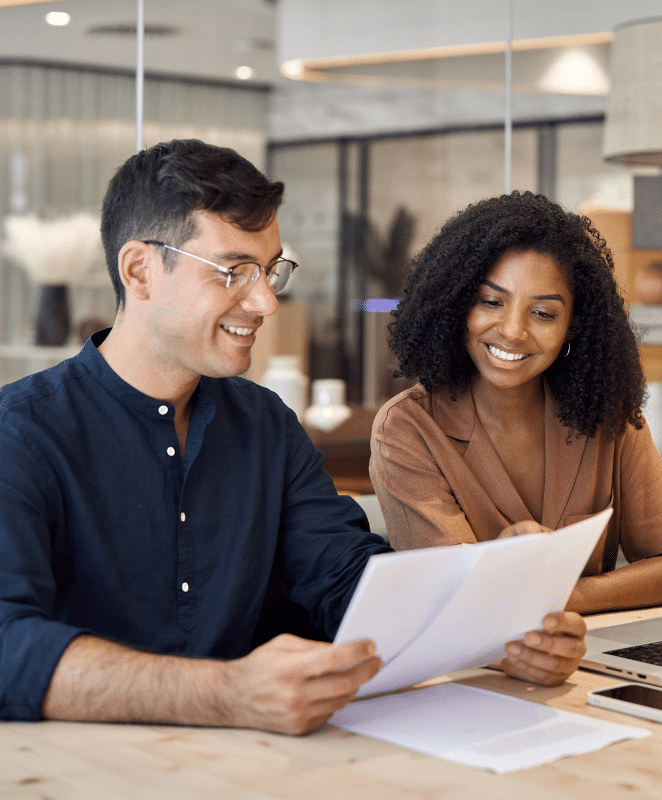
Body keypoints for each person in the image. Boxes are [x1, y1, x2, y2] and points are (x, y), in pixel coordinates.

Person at [0, 143, 587, 734]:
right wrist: (223, 693)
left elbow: (344, 580)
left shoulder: (264, 424)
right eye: (234, 272)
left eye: (270, 270)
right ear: (139, 270)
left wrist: (495, 610)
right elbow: (6, 644)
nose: (264, 302)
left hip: (252, 763)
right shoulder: (20, 432)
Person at [370, 191, 662, 614]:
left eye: (543, 313)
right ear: (455, 304)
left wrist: (563, 596)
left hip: (590, 648)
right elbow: (460, 596)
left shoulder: (607, 417)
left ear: (573, 326)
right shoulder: (407, 429)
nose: (513, 331)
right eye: (491, 302)